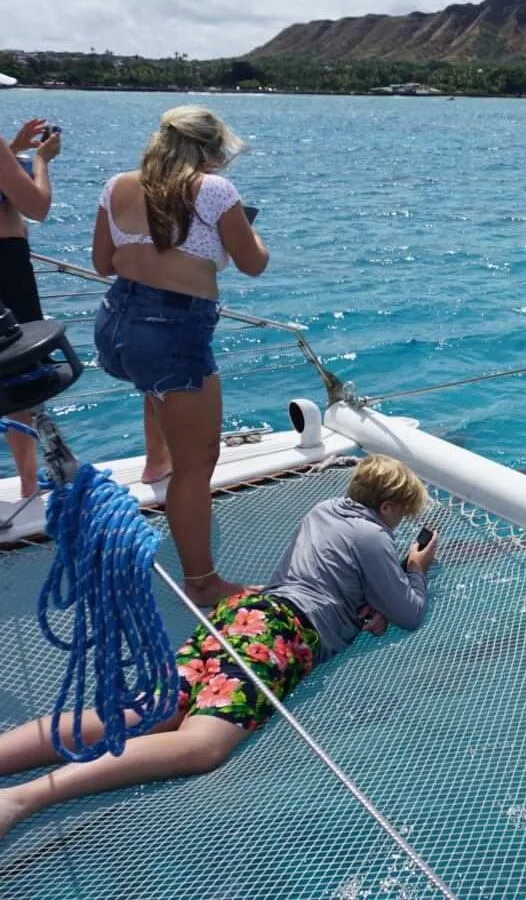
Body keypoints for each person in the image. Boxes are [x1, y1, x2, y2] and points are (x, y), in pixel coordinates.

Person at [0, 454, 440, 843]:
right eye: (400, 514)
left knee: (154, 709)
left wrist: (361, 606)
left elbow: (323, 578)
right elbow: (409, 613)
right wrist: (416, 568)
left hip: (247, 613)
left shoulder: (323, 510)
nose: (397, 524)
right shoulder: (374, 535)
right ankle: (22, 799)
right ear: (387, 506)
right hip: (281, 635)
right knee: (200, 745)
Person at [92, 106, 269, 606]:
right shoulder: (214, 191)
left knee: (157, 388)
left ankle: (154, 464)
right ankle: (203, 582)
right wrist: (241, 237)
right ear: (209, 149)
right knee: (199, 463)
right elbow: (253, 263)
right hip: (173, 330)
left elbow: (102, 263)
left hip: (116, 324)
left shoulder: (117, 185)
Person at [1, 119, 61, 498]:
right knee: (19, 374)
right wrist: (41, 158)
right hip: (6, 266)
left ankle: (28, 481)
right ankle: (28, 484)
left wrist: (15, 148)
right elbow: (37, 206)